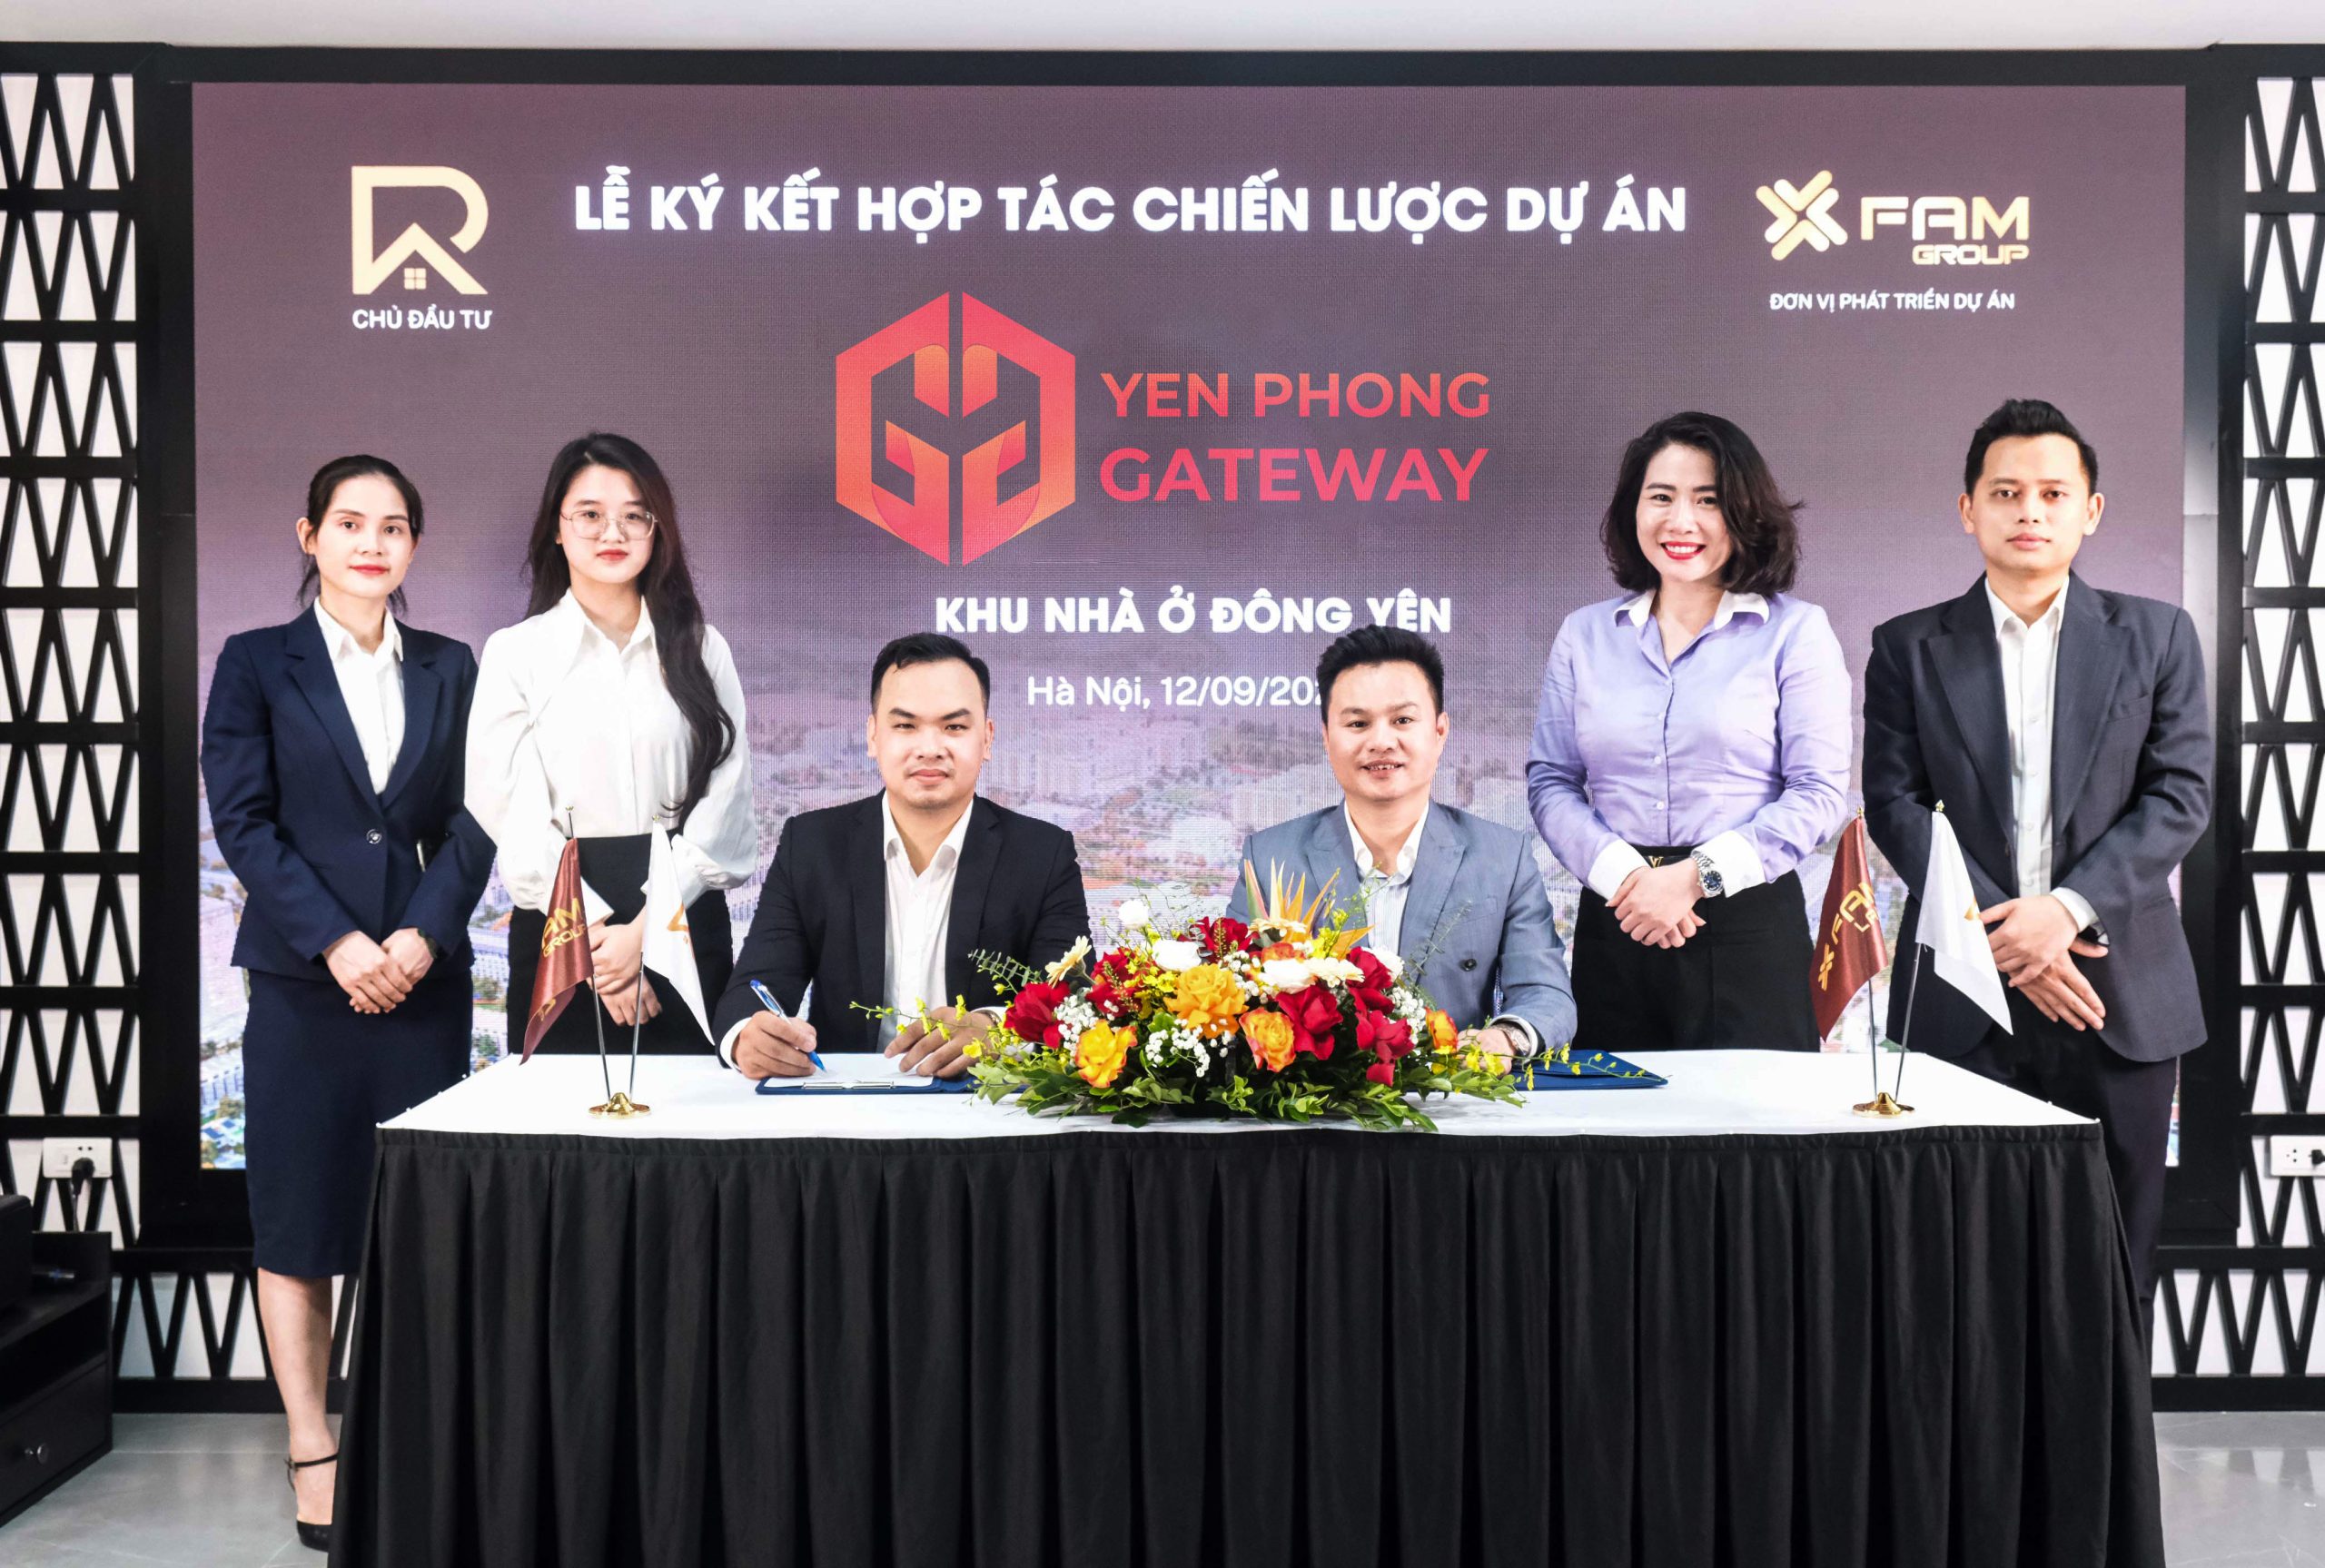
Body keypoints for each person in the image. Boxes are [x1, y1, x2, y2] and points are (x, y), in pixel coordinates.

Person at [1864, 398, 2210, 1334]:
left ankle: (2108, 1441)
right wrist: (2004, 935)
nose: (2029, 510)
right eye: (2006, 491)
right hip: (1961, 995)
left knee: (2114, 1264)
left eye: (2053, 493)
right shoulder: (1907, 646)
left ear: (2089, 510)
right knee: (1959, 1271)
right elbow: (1894, 804)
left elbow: (2180, 796)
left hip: (2119, 995)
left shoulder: (2157, 635)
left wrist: (2061, 911)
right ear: (1967, 508)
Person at [199, 456, 494, 1552]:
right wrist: (336, 939)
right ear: (308, 534)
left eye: (394, 526)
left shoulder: (453, 666)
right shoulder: (255, 661)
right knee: (301, 1220)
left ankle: (406, 1433)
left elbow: (479, 816)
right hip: (303, 983)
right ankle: (313, 1442)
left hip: (421, 982)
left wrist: (420, 934)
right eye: (351, 522)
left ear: (414, 544)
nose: (373, 543)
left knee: (411, 1221)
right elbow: (243, 819)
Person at [1527, 411, 1852, 1052]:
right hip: (1618, 918)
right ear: (1633, 510)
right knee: (1610, 1113)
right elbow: (1551, 780)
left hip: (1747, 923)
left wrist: (1692, 877)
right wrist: (1625, 876)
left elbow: (1818, 793)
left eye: (1708, 500)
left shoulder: (1795, 631)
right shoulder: (1585, 634)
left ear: (1745, 512)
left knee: (1751, 1118)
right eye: (1661, 497)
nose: (1681, 521)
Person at [466, 433, 753, 1053]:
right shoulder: (515, 654)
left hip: (683, 921)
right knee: (562, 1112)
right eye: (590, 515)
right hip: (561, 933)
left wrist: (645, 935)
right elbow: (508, 810)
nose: (612, 533)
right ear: (557, 528)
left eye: (634, 515)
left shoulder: (703, 648)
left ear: (657, 528)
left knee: (696, 1109)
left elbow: (727, 804)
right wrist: (595, 940)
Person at [712, 633, 1090, 1078]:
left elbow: (1073, 1000)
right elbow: (755, 986)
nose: (929, 748)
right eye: (906, 726)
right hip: (847, 1100)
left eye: (954, 727)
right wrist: (746, 1036)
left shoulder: (1043, 854)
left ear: (986, 739)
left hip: (984, 1099)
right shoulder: (812, 845)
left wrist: (996, 1027)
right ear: (873, 735)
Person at [1226, 626, 1576, 1059]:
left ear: (1440, 731)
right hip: (1322, 1097)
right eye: (1357, 723)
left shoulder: (1502, 858)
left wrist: (1504, 1039)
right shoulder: (1270, 859)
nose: (1381, 742)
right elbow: (1235, 994)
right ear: (1327, 737)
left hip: (1455, 1091)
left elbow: (1547, 994)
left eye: (1403, 721)